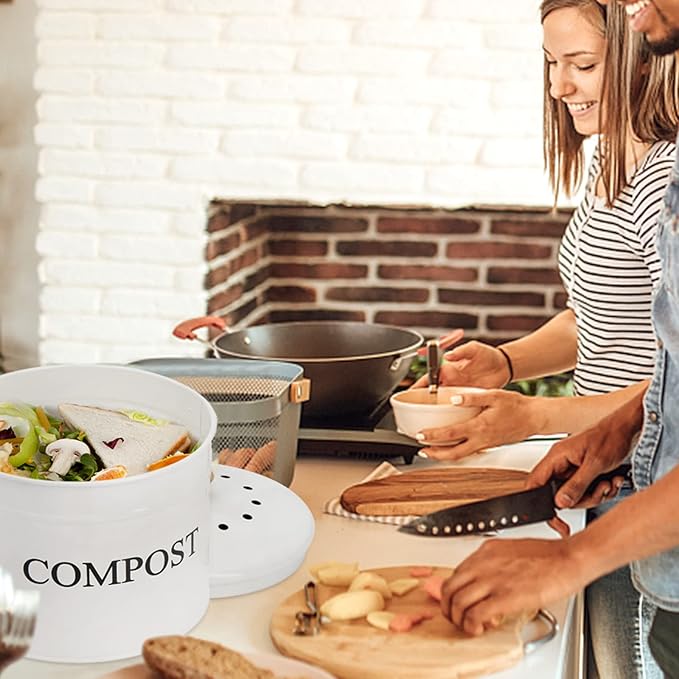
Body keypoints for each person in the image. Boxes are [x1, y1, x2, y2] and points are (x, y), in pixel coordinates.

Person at [415, 2, 679, 676]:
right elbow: (592, 316)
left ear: (638, 57)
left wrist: (534, 415)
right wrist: (505, 363)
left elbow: (667, 385)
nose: (559, 86)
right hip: (602, 474)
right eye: (552, 63)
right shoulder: (608, 159)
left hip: (647, 492)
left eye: (581, 65)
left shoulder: (664, 182)